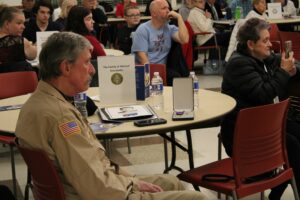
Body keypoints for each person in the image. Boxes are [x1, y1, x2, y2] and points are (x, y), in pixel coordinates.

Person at [15, 31, 208, 200]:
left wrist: (130, 180)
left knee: (170, 182)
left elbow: (92, 168)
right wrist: (132, 185)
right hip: (96, 194)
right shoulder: (61, 118)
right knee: (197, 198)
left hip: (85, 187)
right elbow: (95, 186)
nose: (92, 69)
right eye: (87, 63)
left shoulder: (39, 102)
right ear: (66, 67)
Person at [221, 18, 300, 199]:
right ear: (250, 44)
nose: (270, 45)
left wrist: (293, 67)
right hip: (242, 136)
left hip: (263, 126)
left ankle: (277, 191)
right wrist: (283, 72)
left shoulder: (260, 58)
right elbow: (263, 94)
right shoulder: (239, 64)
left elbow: (280, 59)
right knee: (293, 146)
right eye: (265, 41)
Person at [132, 0, 188, 65]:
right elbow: (142, 58)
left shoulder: (170, 28)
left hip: (162, 69)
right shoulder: (143, 29)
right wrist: (151, 73)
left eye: (168, 8)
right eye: (164, 8)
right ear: (154, 13)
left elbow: (184, 40)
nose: (168, 11)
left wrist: (179, 17)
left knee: (176, 74)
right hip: (145, 70)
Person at [0, 5, 36, 73]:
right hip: (18, 82)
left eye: (24, 23)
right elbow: (33, 55)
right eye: (19, 23)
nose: (23, 27)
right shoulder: (20, 41)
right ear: (7, 24)